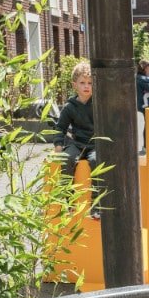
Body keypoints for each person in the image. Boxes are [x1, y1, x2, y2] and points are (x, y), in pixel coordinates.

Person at [54, 61, 100, 218]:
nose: (86, 86)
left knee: (96, 161)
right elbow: (60, 128)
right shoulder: (69, 107)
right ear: (75, 85)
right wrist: (58, 145)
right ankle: (68, 202)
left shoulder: (99, 104)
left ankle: (96, 206)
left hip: (95, 144)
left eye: (90, 83)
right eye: (82, 83)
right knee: (66, 159)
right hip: (77, 143)